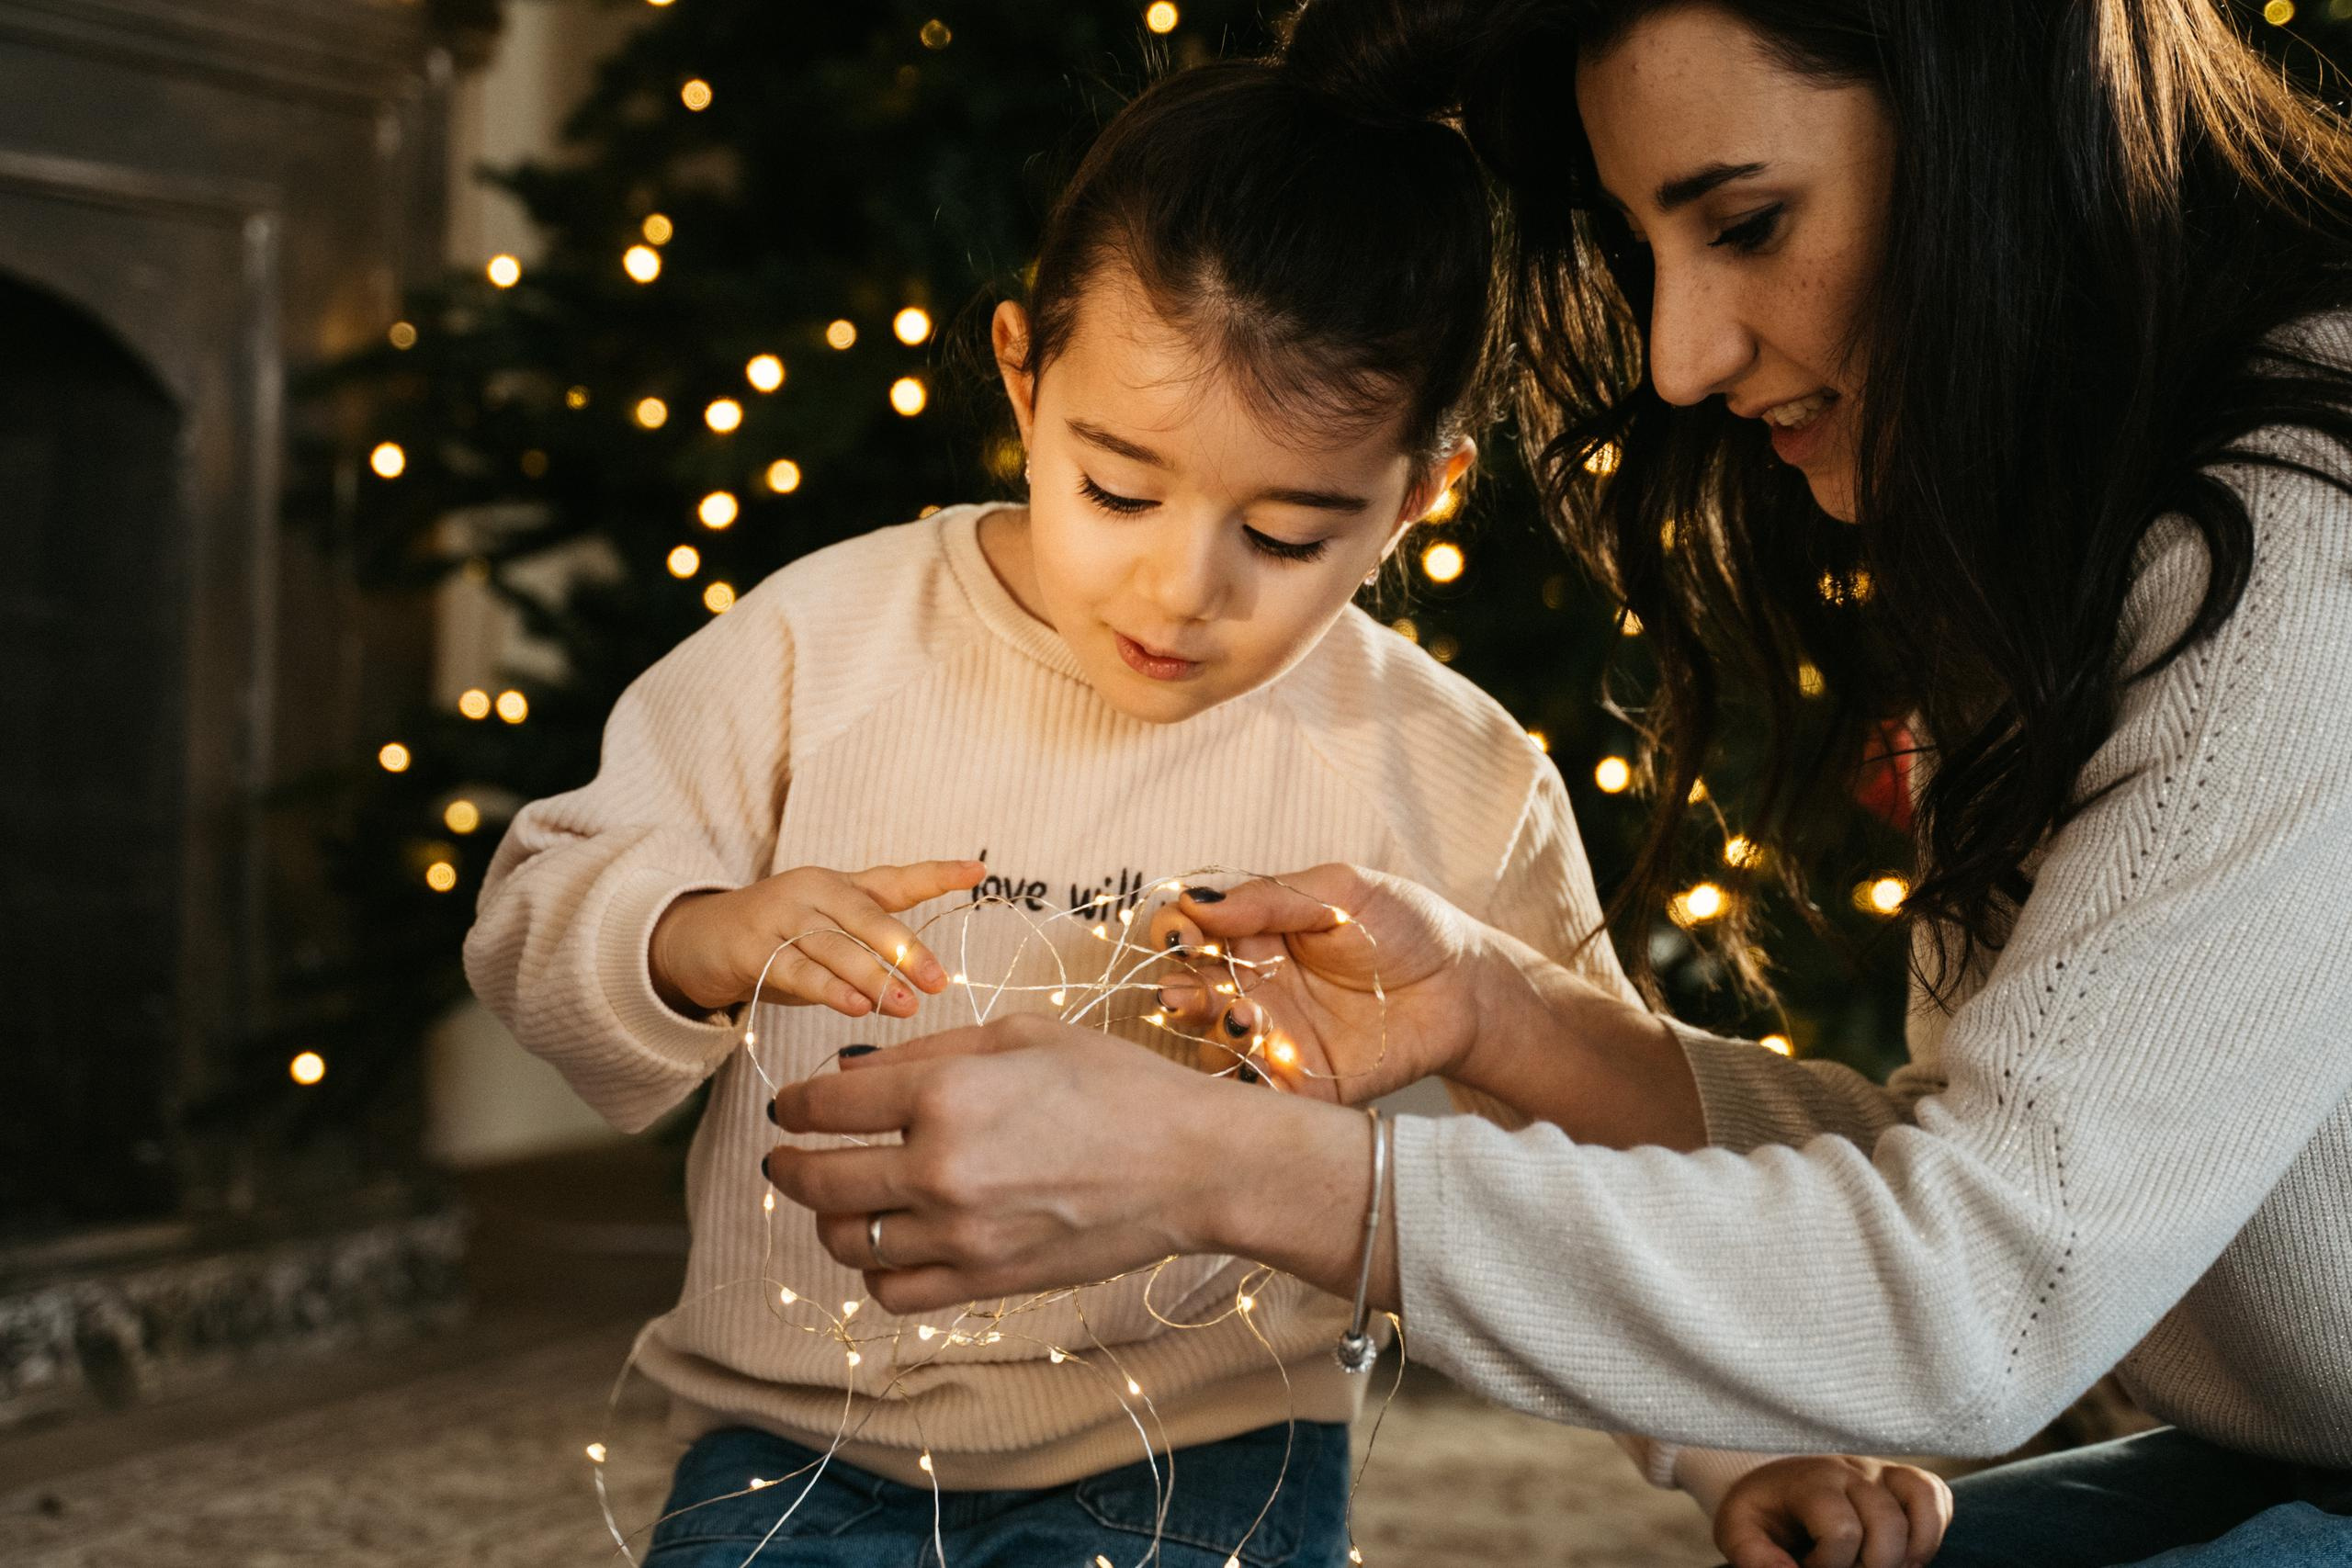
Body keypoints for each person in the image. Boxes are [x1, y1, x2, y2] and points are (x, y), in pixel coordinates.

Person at [759, 3, 2352, 1566]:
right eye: (1651, 251)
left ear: (1994, 118)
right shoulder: (2064, 521)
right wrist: (1504, 1021)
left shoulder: (2300, 539)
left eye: (1746, 221)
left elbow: (1983, 1300)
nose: (1678, 357)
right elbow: (2002, 1176)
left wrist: (1228, 1168)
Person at [463, 5, 1943, 1563]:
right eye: (1117, 486)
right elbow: (537, 909)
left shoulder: (1453, 774)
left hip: (1212, 1455)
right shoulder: (817, 649)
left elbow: (1563, 1174)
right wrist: (688, 935)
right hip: (801, 1443)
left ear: (1419, 494)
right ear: (1025, 384)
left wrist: (1736, 1455)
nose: (1180, 591)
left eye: (1289, 534)